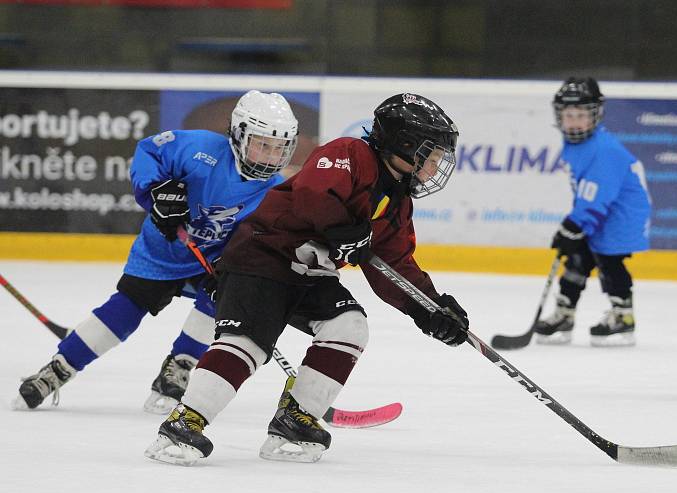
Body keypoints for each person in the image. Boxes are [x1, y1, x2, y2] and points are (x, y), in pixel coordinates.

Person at [144, 93, 468, 466]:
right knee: (247, 345)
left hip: (308, 276)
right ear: (404, 144)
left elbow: (394, 266)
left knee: (349, 326)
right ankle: (184, 422)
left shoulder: (396, 202)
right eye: (432, 154)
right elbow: (315, 193)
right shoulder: (350, 154)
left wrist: (430, 308)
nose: (436, 165)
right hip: (261, 260)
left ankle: (295, 420)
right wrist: (341, 228)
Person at [13, 90, 299, 413]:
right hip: (161, 253)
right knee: (126, 308)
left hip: (212, 262)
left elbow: (262, 240)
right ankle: (58, 368)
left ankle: (179, 367)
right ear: (238, 134)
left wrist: (240, 264)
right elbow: (148, 151)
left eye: (279, 148)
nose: (271, 157)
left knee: (219, 299)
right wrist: (155, 192)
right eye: (263, 144)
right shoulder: (199, 149)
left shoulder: (276, 191)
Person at [532, 77, 651, 347]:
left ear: (595, 115)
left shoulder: (604, 150)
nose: (574, 121)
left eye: (581, 115)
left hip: (621, 214)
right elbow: (587, 192)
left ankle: (624, 317)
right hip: (600, 210)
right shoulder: (575, 143)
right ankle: (565, 313)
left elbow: (598, 195)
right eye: (568, 115)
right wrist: (574, 225)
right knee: (576, 257)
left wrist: (574, 225)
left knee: (608, 261)